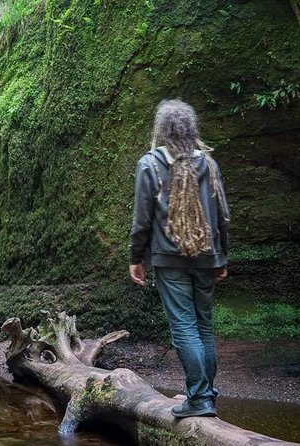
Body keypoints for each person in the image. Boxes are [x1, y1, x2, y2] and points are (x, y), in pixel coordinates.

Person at [128, 99, 230, 418]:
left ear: (161, 129)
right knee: (204, 326)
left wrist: (136, 257)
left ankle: (198, 398)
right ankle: (206, 395)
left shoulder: (150, 163)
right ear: (191, 128)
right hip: (206, 258)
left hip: (169, 260)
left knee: (184, 327)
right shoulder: (209, 164)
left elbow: (142, 219)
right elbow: (221, 215)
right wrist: (221, 257)